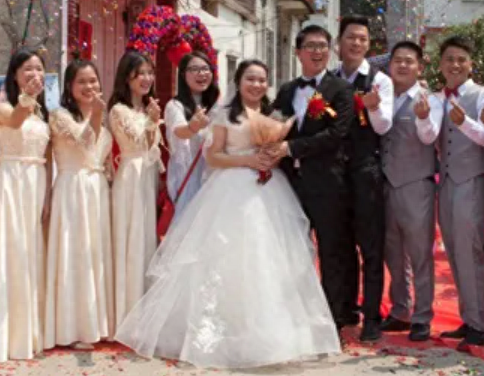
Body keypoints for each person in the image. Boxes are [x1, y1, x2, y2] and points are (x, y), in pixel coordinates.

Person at [115, 60, 340, 369]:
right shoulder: (224, 114)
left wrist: (270, 158)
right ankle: (220, 334)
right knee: (227, 258)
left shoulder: (274, 114)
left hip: (270, 191)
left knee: (267, 259)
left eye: (261, 80)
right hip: (230, 191)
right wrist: (248, 161)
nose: (256, 85)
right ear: (238, 81)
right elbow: (214, 157)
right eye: (250, 79)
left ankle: (270, 335)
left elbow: (279, 151)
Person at [269, 25, 355, 334]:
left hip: (329, 184)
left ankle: (335, 319)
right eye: (311, 46)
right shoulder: (287, 90)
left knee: (332, 251)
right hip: (291, 184)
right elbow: (273, 126)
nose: (317, 51)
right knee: (293, 251)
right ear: (298, 52)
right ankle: (296, 315)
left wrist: (292, 147)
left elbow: (337, 133)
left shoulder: (341, 89)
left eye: (322, 46)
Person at [0, 48, 51, 363]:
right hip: (11, 182)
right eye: (28, 69)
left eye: (39, 69)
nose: (35, 74)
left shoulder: (42, 113)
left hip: (35, 183)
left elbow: (47, 157)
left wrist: (48, 196)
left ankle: (30, 330)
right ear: (14, 75)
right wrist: (27, 98)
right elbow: (13, 121)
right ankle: (5, 335)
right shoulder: (2, 106)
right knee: (11, 253)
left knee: (30, 253)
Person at [44, 59, 114, 350]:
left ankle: (97, 324)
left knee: (95, 254)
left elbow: (103, 158)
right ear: (70, 87)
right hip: (72, 188)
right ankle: (73, 327)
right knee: (75, 254)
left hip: (97, 190)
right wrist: (96, 116)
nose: (89, 87)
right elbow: (84, 143)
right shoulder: (59, 116)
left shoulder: (103, 117)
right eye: (82, 82)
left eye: (93, 81)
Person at [335, 15, 394, 342]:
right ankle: (346, 309)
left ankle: (371, 316)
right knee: (341, 245)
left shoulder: (379, 80)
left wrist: (372, 108)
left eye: (362, 39)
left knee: (371, 247)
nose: (356, 43)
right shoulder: (330, 78)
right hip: (335, 174)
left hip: (365, 171)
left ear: (368, 44)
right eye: (351, 37)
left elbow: (384, 126)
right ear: (339, 43)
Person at [379, 41, 441, 342]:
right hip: (387, 184)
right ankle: (400, 310)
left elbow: (430, 137)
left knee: (420, 254)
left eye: (409, 61)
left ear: (419, 67)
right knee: (393, 253)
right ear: (389, 65)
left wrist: (423, 117)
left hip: (417, 185)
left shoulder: (430, 99)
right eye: (397, 60)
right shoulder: (384, 97)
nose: (402, 66)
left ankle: (422, 315)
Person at [434, 36, 484, 349]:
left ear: (471, 64)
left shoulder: (480, 95)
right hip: (447, 181)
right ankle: (469, 317)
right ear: (440, 65)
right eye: (449, 59)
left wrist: (464, 122)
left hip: (472, 179)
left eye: (461, 59)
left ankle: (480, 323)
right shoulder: (437, 98)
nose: (455, 64)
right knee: (453, 249)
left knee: (471, 250)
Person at [108, 51, 163, 328]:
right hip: (130, 175)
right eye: (140, 73)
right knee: (129, 237)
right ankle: (125, 312)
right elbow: (134, 142)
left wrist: (152, 120)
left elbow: (152, 148)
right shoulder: (119, 111)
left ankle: (144, 312)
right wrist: (152, 121)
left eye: (149, 73)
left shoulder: (149, 109)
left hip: (147, 176)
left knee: (145, 239)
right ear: (127, 77)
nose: (146, 78)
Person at [163, 51, 219, 221]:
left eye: (205, 68)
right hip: (187, 176)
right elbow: (180, 131)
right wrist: (192, 126)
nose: (201, 74)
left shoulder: (217, 105)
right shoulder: (175, 106)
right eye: (194, 69)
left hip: (213, 175)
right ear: (183, 75)